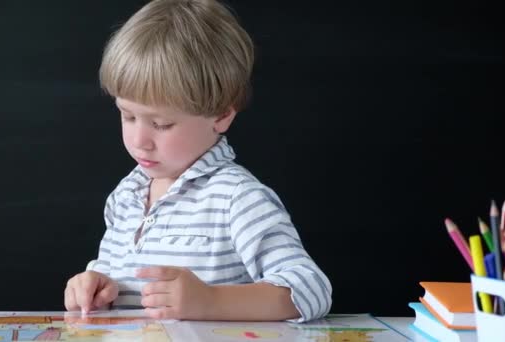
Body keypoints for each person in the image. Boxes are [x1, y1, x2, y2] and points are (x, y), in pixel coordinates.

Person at [64, 0, 331, 322]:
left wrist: (212, 300)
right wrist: (94, 288)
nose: (139, 141)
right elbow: (112, 282)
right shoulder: (125, 196)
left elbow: (311, 290)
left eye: (161, 124)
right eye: (128, 115)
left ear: (221, 115)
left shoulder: (236, 198)